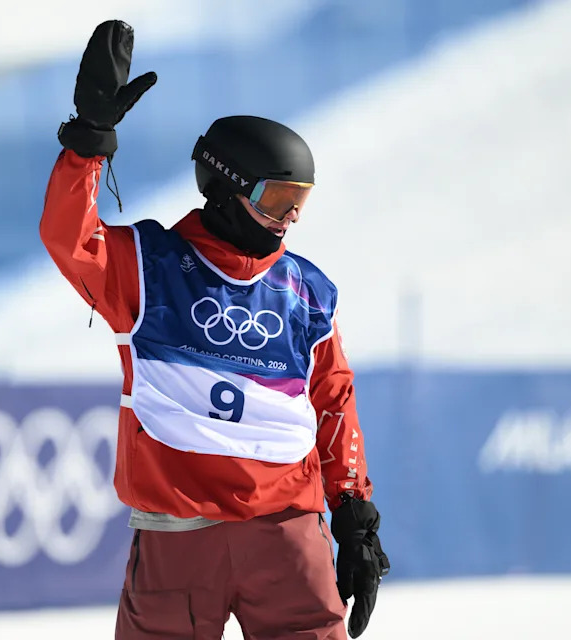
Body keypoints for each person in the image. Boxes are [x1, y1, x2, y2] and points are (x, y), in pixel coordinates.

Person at [40, 20, 390, 640]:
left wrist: (355, 516)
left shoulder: (306, 292)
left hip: (286, 535)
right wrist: (89, 144)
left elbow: (333, 402)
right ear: (227, 189)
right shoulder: (148, 267)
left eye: (298, 203)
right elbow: (69, 237)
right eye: (276, 198)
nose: (286, 219)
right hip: (181, 536)